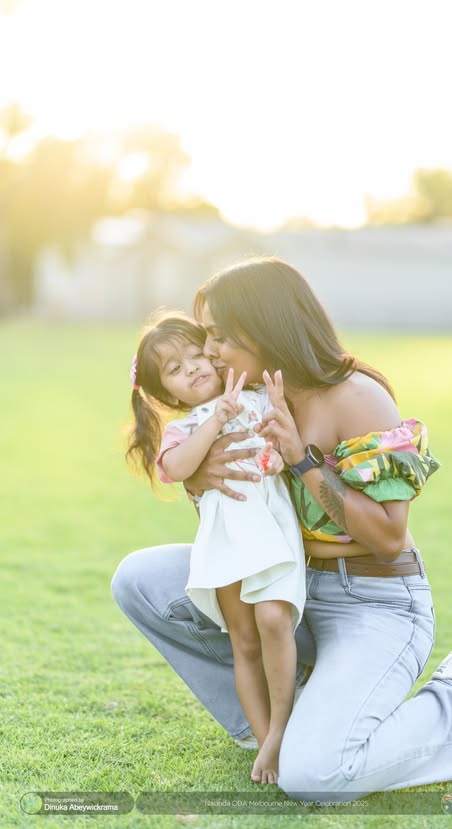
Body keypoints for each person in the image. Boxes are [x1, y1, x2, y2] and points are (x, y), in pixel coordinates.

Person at [112, 258, 452, 802]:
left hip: (373, 601)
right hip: (293, 584)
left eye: (220, 336)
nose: (210, 352)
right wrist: (199, 474)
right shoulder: (245, 400)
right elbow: (235, 513)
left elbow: (388, 538)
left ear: (263, 328)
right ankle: (268, 730)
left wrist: (302, 459)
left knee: (313, 777)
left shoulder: (357, 397)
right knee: (139, 579)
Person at [125, 310, 305, 784]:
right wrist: (216, 418)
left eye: (195, 354)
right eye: (175, 369)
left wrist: (276, 447)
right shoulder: (185, 428)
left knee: (273, 619)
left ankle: (281, 728)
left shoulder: (257, 396)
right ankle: (265, 742)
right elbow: (178, 468)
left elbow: (285, 446)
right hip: (225, 542)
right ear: (168, 394)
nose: (192, 368)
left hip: (271, 531)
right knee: (243, 641)